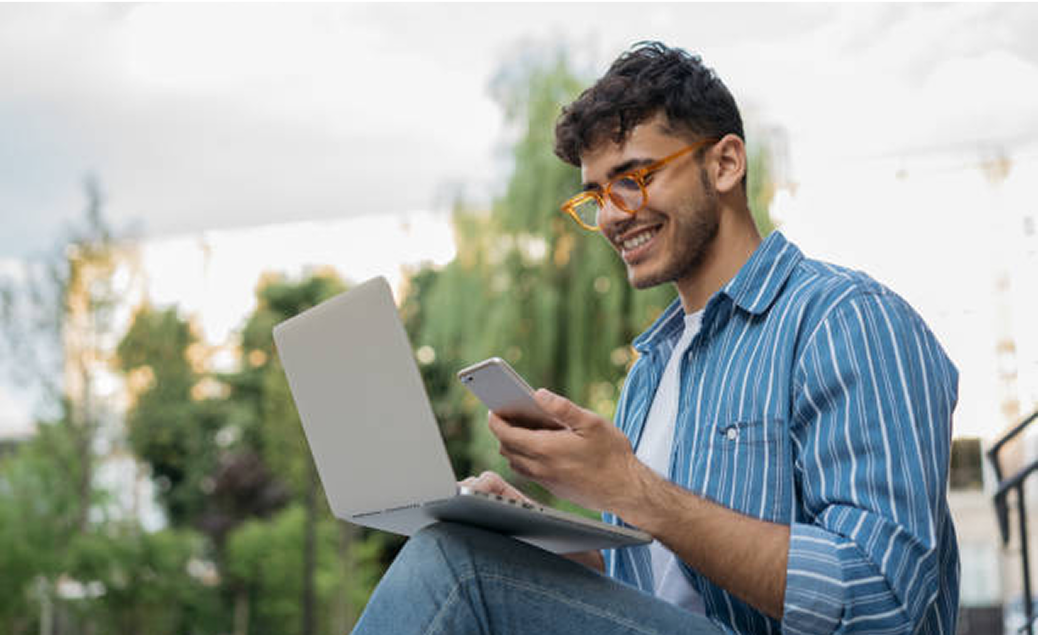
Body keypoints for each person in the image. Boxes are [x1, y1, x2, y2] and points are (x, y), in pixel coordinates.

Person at [352, 41, 959, 635]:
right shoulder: (652, 370)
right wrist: (531, 528)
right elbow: (649, 593)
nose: (612, 214)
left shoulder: (844, 319)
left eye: (633, 177)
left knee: (455, 570)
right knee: (460, 542)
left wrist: (631, 488)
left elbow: (882, 599)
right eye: (595, 194)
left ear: (724, 164)